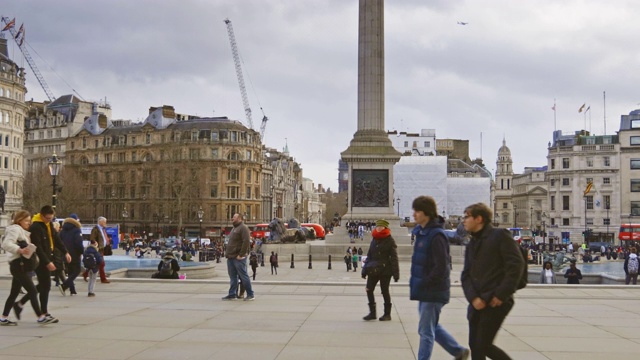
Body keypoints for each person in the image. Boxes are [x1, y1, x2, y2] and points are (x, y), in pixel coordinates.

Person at [461, 202, 523, 360]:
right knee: (475, 346)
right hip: (477, 303)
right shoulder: (472, 243)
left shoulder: (500, 236)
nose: (463, 220)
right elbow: (466, 275)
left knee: (484, 345)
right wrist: (473, 297)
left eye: (467, 217)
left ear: (479, 218)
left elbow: (516, 265)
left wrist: (501, 295)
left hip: (496, 302)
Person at [410, 196, 469, 360]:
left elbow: (441, 267)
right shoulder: (423, 233)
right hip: (425, 289)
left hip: (433, 290)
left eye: (417, 211)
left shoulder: (436, 236)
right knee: (431, 326)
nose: (414, 214)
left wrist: (425, 283)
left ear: (426, 213)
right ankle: (458, 351)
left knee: (425, 331)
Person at [16, 205, 71, 324]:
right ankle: (44, 313)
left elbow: (56, 239)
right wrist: (47, 262)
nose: (49, 220)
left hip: (47, 257)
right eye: (47, 218)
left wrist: (65, 252)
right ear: (41, 215)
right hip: (40, 260)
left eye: (51, 218)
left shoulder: (49, 224)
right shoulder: (36, 227)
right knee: (46, 286)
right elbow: (38, 248)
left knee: (42, 286)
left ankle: (20, 304)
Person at [1, 210, 56, 325]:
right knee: (32, 290)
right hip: (18, 265)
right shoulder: (16, 229)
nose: (28, 223)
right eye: (26, 221)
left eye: (29, 221)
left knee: (14, 292)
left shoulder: (21, 230)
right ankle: (40, 316)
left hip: (19, 265)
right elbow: (6, 244)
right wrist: (19, 250)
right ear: (19, 220)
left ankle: (3, 317)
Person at [362, 219, 399, 322]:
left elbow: (394, 257)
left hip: (385, 270)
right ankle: (372, 313)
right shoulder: (374, 238)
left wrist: (396, 273)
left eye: (381, 227)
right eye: (377, 226)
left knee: (384, 291)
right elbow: (369, 255)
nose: (378, 228)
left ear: (385, 228)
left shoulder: (390, 240)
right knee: (368, 289)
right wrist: (364, 269)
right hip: (373, 269)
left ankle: (387, 314)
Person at [221, 213, 255, 301]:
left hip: (238, 257)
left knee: (243, 276)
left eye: (234, 217)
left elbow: (246, 241)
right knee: (233, 276)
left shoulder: (243, 227)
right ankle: (232, 294)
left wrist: (241, 254)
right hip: (231, 256)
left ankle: (250, 294)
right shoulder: (234, 228)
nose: (232, 218)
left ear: (239, 218)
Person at [59, 214, 84, 296]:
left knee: (70, 272)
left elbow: (59, 242)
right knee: (77, 270)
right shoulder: (77, 230)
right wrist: (81, 252)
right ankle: (64, 285)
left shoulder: (62, 231)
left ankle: (72, 290)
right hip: (75, 254)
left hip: (65, 253)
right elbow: (78, 243)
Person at [82, 217, 111, 284]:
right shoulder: (95, 229)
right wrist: (95, 244)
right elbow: (92, 238)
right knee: (101, 263)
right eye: (104, 222)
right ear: (100, 222)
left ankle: (85, 274)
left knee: (97, 264)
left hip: (102, 249)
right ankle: (103, 279)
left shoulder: (103, 229)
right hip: (97, 249)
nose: (105, 223)